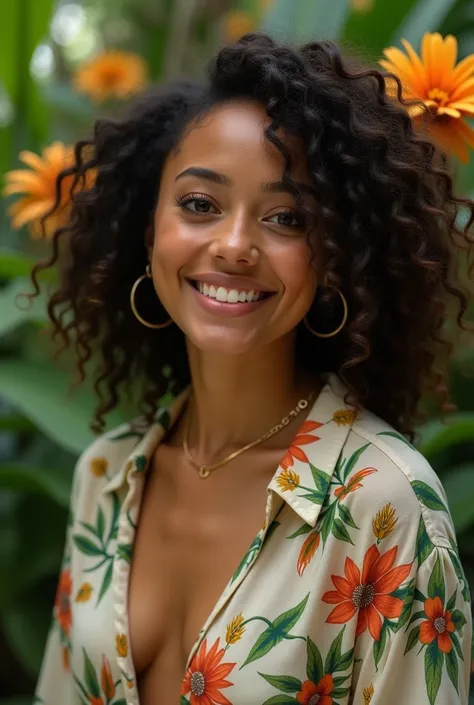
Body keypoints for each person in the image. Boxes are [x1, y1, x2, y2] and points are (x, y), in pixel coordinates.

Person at [32, 32, 472, 705]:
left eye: (286, 217)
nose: (234, 245)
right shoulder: (106, 477)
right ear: (150, 230)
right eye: (200, 204)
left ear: (331, 257)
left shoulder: (384, 504)